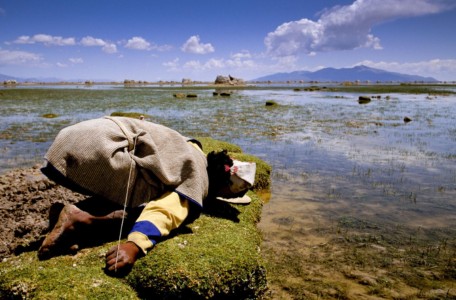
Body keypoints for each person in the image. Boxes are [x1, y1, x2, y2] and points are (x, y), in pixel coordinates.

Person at [37, 116, 256, 276]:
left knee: (153, 177)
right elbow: (166, 211)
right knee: (150, 203)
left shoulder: (193, 149)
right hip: (103, 152)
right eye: (232, 194)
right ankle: (81, 220)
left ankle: (74, 212)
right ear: (225, 187)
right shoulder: (198, 180)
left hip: (73, 141)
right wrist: (135, 245)